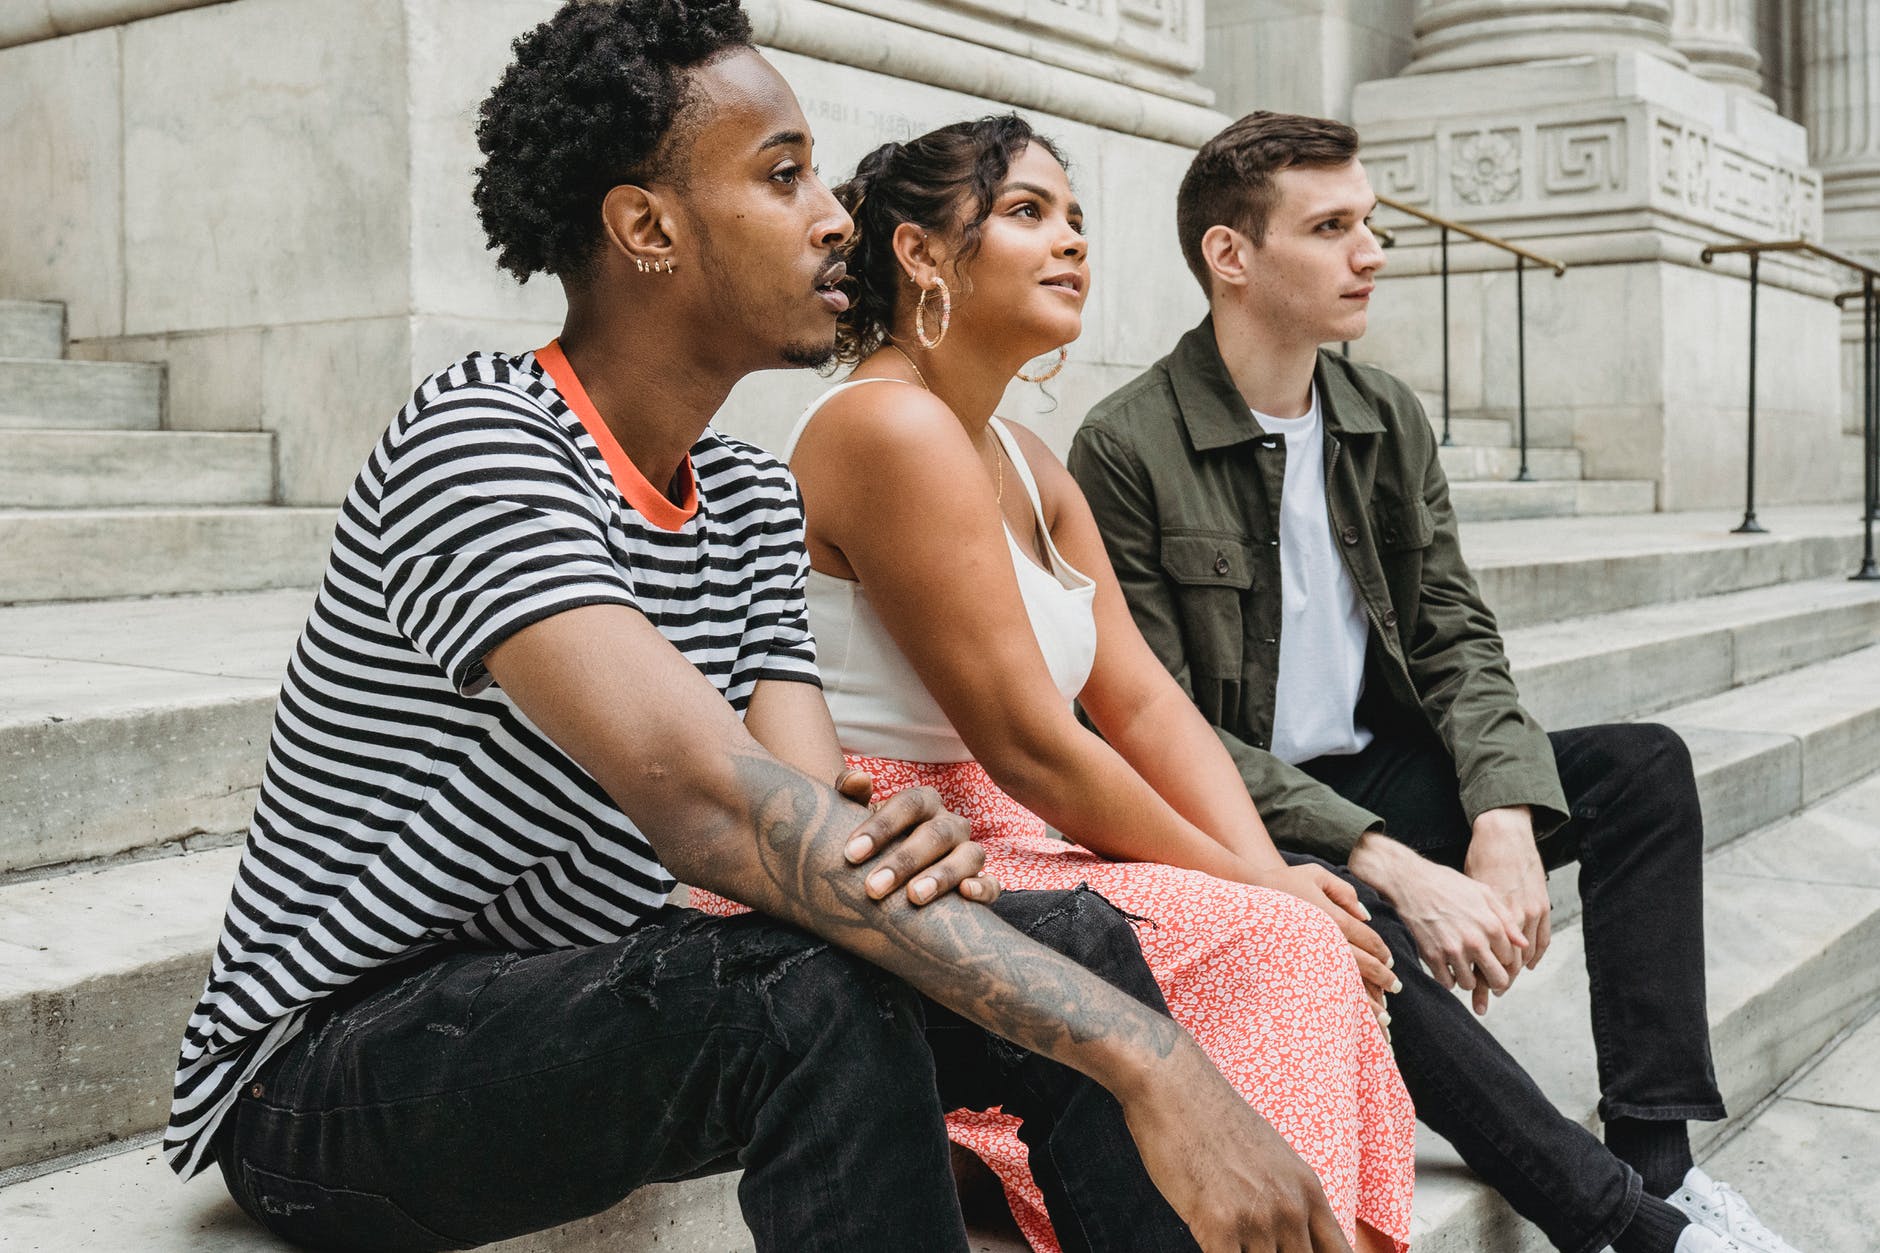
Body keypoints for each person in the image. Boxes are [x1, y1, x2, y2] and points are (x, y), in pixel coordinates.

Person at [159, 11, 1362, 1251]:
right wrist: (1155, 1059)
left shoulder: (740, 492)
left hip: (590, 989)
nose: (834, 215)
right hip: (326, 1071)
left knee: (1075, 937)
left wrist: (895, 840)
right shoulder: (480, 442)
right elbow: (719, 811)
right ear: (647, 230)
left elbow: (802, 808)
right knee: (821, 988)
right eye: (781, 175)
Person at [1067, 110, 1806, 1253]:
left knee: (1638, 769)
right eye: (1331, 227)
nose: (1371, 252)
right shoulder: (1125, 446)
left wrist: (1503, 811)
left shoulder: (1381, 416)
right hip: (1237, 817)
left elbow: (1454, 631)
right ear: (1230, 255)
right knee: (1353, 915)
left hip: (1373, 771)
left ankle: (1660, 1162)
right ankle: (1613, 1223)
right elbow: (1154, 721)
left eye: (1370, 224)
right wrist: (1393, 861)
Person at [724, 114, 1414, 1253]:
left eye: (1078, 220)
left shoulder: (1029, 461)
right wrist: (1267, 894)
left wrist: (1268, 867)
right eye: (1026, 213)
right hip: (891, 833)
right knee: (1285, 941)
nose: (1072, 245)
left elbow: (1140, 701)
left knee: (1306, 919)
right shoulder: (887, 424)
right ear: (920, 254)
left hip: (1010, 826)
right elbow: (1029, 742)